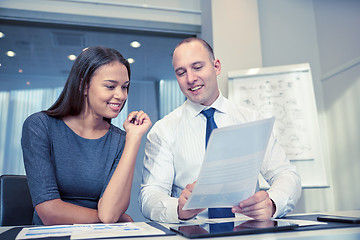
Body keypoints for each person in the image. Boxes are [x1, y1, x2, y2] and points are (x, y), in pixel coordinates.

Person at [139, 37, 301, 223]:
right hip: (192, 232)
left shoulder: (251, 119)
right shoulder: (163, 130)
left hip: (248, 231)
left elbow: (286, 174)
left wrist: (273, 202)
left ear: (216, 67)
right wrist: (177, 208)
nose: (190, 79)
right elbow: (149, 194)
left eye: (197, 67)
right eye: (181, 72)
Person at [21, 46, 152, 225]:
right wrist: (118, 221)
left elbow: (109, 214)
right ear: (83, 85)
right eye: (110, 86)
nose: (121, 95)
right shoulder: (40, 126)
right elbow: (49, 212)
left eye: (125, 87)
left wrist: (134, 138)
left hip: (101, 236)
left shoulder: (121, 139)